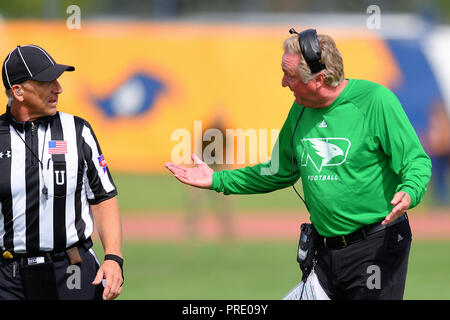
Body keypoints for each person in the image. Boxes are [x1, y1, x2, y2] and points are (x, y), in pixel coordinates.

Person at [165, 28, 432, 300]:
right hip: (325, 254)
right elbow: (277, 171)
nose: (283, 83)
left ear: (318, 79)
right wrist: (217, 180)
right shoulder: (300, 109)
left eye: (290, 76)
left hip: (376, 248)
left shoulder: (375, 101)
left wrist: (410, 189)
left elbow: (415, 160)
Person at [0, 44, 123, 300]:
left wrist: (113, 258)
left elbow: (102, 197)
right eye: (47, 81)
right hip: (9, 275)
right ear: (18, 91)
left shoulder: (78, 131)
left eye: (57, 79)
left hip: (72, 269)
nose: (58, 88)